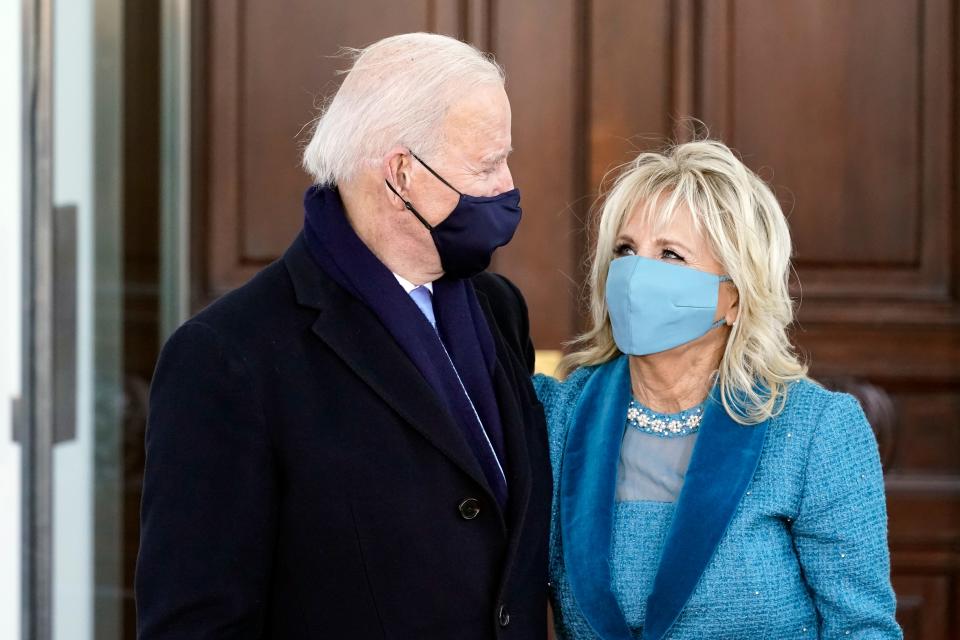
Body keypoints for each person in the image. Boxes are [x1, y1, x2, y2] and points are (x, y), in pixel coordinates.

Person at [136, 33, 552, 639]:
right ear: (402, 173)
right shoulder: (227, 358)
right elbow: (195, 623)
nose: (507, 185)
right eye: (486, 165)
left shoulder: (497, 308)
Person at [535, 140, 902, 639]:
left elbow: (862, 629)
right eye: (625, 250)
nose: (637, 273)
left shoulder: (815, 430)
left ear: (734, 296)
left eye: (670, 254)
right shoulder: (556, 417)